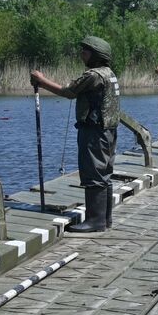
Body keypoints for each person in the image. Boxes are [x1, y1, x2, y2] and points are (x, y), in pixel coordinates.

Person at [29, 36, 120, 233]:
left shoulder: (94, 75)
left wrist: (41, 81)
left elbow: (69, 92)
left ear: (96, 55)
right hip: (108, 131)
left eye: (85, 51)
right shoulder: (109, 73)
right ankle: (105, 218)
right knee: (103, 173)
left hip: (95, 132)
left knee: (94, 172)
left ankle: (95, 221)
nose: (81, 54)